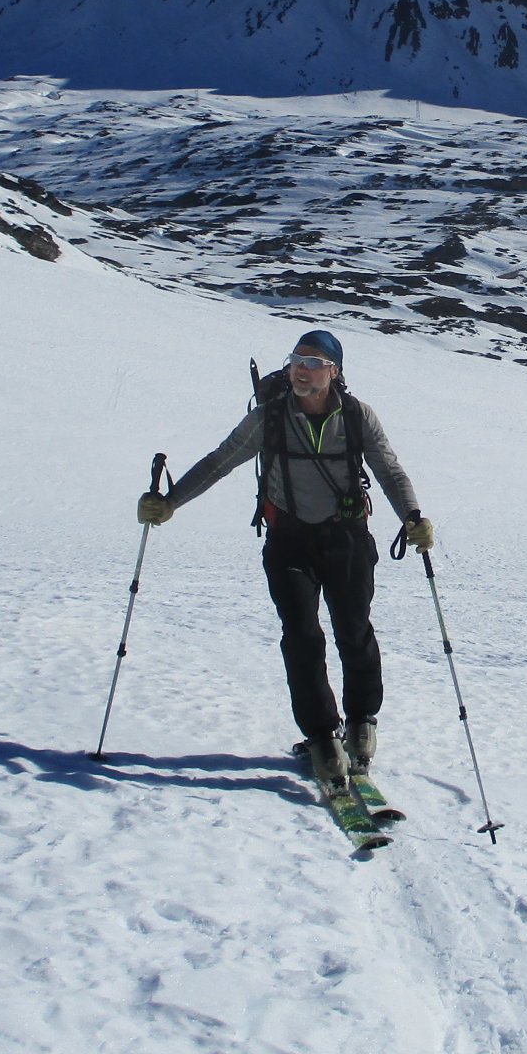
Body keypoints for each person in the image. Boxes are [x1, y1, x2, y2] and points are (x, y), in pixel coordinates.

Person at [137, 329, 434, 792]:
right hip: (289, 541)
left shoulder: (357, 416)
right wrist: (171, 501)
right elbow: (220, 462)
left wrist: (412, 516)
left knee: (354, 631)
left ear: (334, 371)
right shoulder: (269, 418)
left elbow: (389, 471)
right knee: (301, 638)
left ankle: (361, 723)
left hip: (347, 539)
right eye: (296, 359)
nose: (301, 369)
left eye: (313, 362)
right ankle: (322, 736)